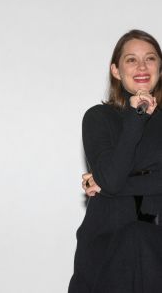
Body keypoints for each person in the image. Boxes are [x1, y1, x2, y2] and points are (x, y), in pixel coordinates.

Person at [68, 29, 162, 293]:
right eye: (131, 59)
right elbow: (111, 178)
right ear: (116, 70)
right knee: (134, 238)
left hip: (156, 237)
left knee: (141, 238)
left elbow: (109, 182)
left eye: (151, 58)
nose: (142, 66)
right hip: (109, 238)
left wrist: (107, 182)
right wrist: (136, 116)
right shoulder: (98, 118)